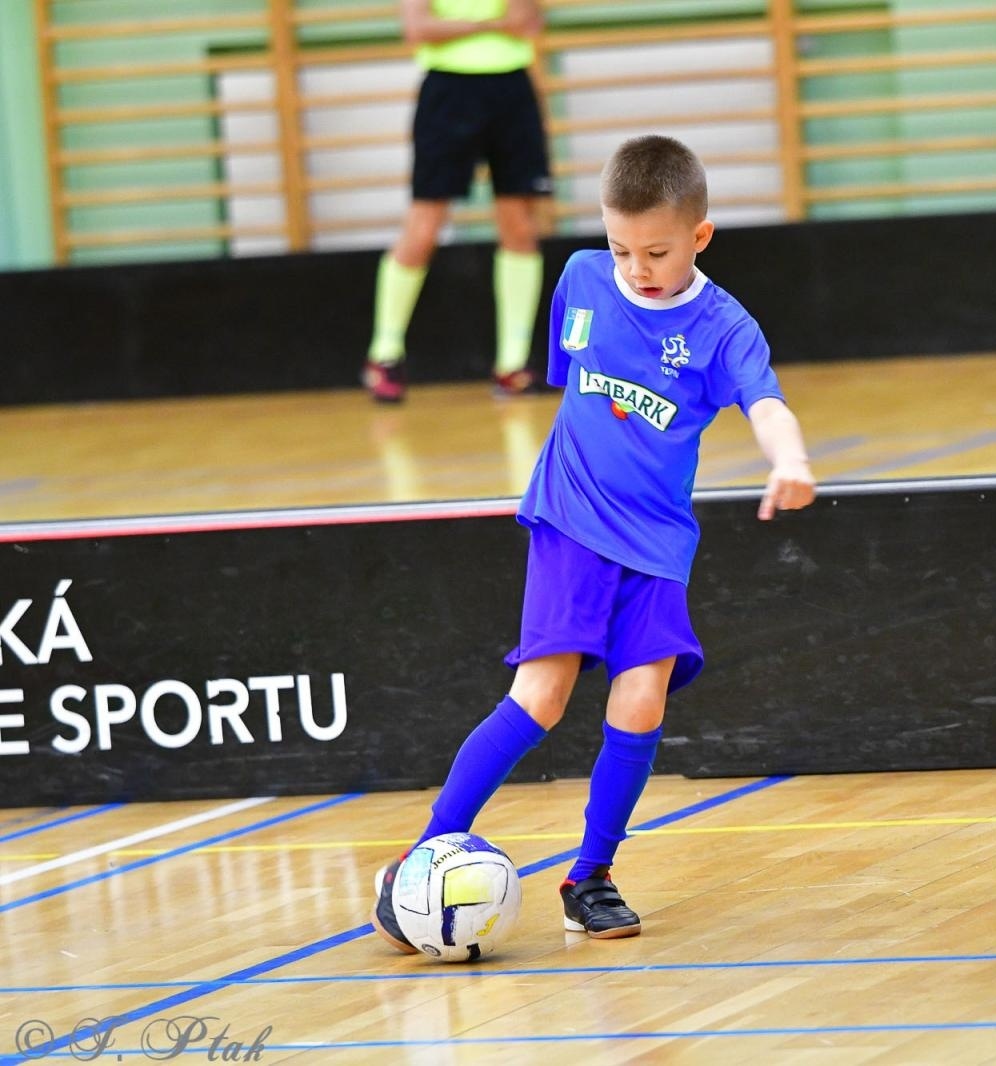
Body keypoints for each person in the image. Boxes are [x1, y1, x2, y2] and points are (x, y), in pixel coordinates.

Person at [372, 134, 816, 945]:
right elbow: (575, 392)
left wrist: (789, 459)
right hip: (571, 519)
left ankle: (591, 875)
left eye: (657, 252)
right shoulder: (580, 279)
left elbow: (766, 404)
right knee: (541, 696)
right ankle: (422, 853)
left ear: (700, 236)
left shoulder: (724, 327)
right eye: (621, 248)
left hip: (657, 542)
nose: (636, 268)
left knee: (642, 699)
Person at [363, 0, 555, 403]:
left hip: (512, 89)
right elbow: (419, 28)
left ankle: (513, 363)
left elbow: (528, 19)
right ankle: (384, 354)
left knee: (520, 226)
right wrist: (492, 24)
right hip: (448, 91)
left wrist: (458, 25)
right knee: (424, 225)